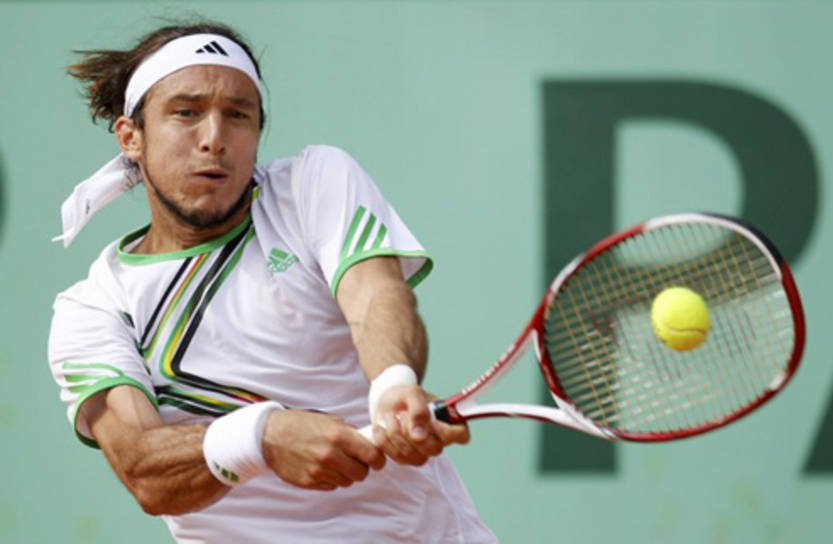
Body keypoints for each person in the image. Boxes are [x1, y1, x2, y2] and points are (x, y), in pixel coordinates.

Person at [47, 20, 497, 544]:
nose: (214, 139)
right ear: (131, 137)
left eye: (238, 115)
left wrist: (393, 383)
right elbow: (143, 469)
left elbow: (375, 295)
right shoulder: (93, 309)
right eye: (186, 112)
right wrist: (259, 438)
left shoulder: (310, 184)